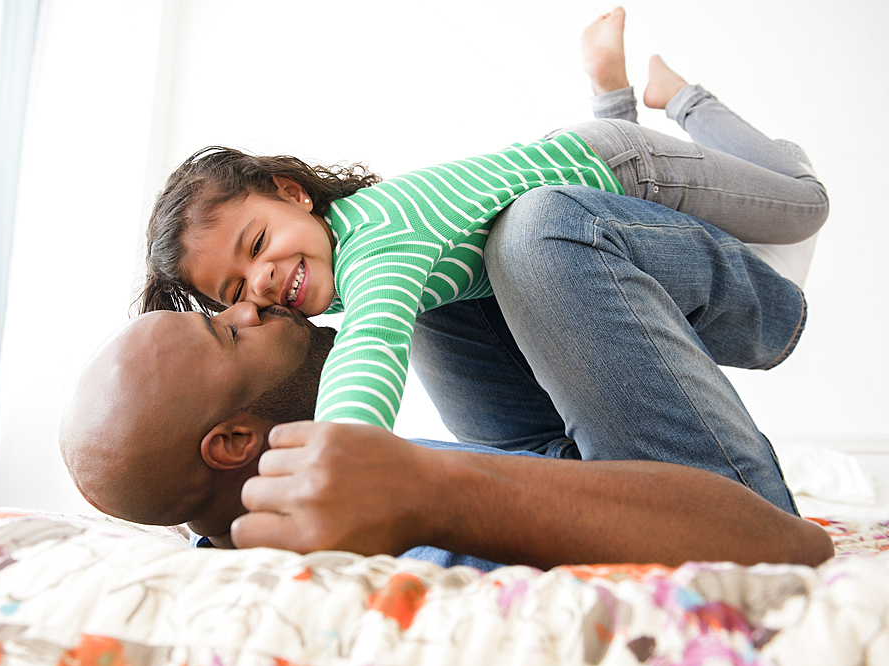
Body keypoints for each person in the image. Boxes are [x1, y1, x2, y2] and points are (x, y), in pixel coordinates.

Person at [138, 7, 828, 436]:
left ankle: (675, 96)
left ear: (293, 194)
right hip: (571, 174)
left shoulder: (375, 248)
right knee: (589, 225)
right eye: (234, 291)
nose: (260, 282)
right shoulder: (342, 255)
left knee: (804, 204)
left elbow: (370, 344)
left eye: (256, 245)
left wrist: (339, 449)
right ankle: (608, 89)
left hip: (620, 166)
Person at [58, 302, 834, 570]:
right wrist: (433, 490)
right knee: (538, 234)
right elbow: (792, 547)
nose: (247, 307)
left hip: (543, 458)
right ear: (231, 441)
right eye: (225, 332)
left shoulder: (229, 530)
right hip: (710, 501)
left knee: (435, 275)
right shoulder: (398, 525)